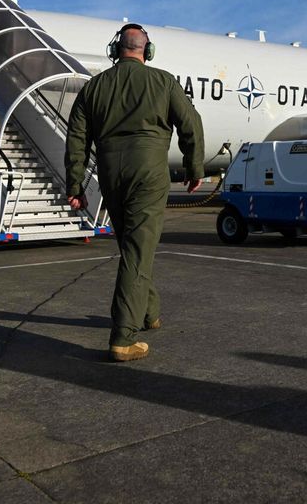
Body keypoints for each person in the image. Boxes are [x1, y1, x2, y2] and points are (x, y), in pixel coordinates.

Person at [65, 23, 205, 362]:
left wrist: (74, 185)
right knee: (138, 251)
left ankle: (147, 313)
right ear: (148, 50)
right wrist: (194, 167)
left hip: (112, 174)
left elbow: (77, 140)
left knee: (134, 247)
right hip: (149, 173)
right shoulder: (163, 81)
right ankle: (124, 336)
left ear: (116, 50)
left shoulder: (94, 88)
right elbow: (191, 124)